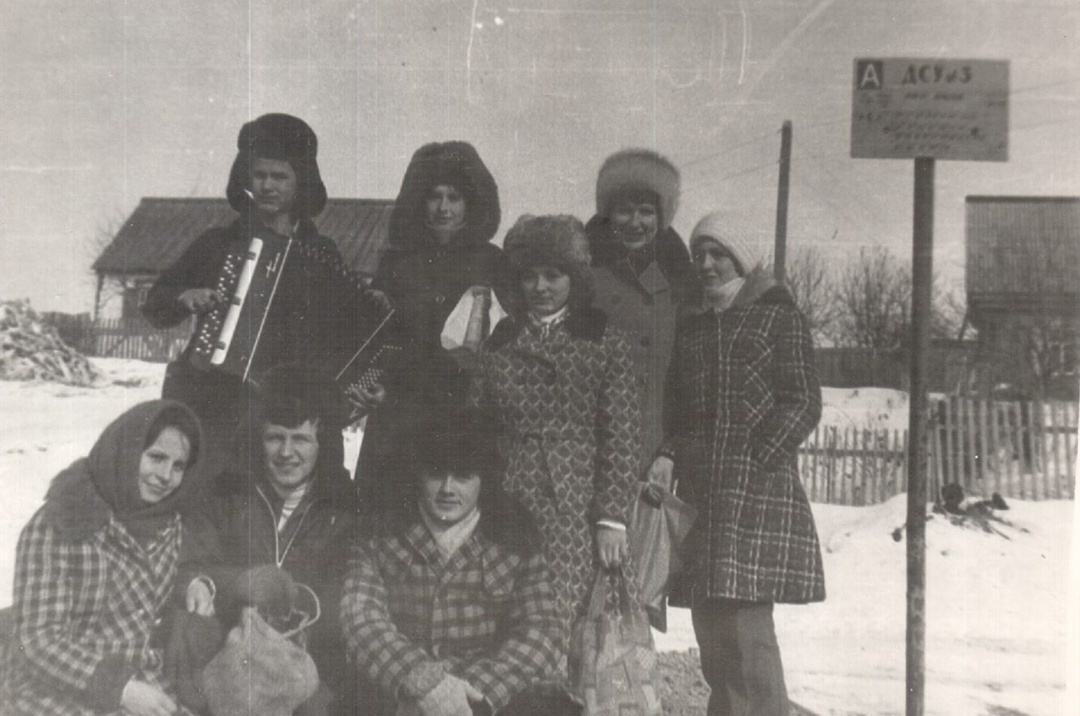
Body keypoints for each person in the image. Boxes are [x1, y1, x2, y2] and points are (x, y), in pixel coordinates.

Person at [469, 215, 641, 705]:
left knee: (567, 624)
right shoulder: (501, 338)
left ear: (575, 278)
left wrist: (612, 517)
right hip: (508, 497)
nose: (540, 287)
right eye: (529, 276)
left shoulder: (604, 337)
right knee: (507, 618)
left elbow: (621, 432)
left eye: (553, 275)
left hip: (575, 506)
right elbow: (479, 423)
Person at [661, 211, 825, 716]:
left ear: (740, 258)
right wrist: (674, 454)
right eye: (699, 255)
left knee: (748, 634)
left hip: (755, 496)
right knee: (712, 633)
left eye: (718, 254)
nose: (706, 265)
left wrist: (759, 458)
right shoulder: (692, 328)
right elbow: (680, 410)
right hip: (703, 498)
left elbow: (802, 400)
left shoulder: (778, 315)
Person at [143, 113, 369, 478]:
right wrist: (186, 296)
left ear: (301, 184)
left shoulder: (322, 254)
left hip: (288, 416)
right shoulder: (218, 243)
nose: (267, 185)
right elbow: (155, 304)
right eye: (259, 175)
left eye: (280, 176)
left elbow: (348, 331)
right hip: (215, 405)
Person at [340, 407, 562, 716]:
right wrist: (422, 684)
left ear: (484, 478)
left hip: (481, 700)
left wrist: (468, 694)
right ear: (418, 474)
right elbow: (360, 619)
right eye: (435, 474)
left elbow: (542, 629)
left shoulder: (515, 537)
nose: (447, 489)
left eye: (462, 476)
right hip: (399, 696)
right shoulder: (379, 534)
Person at [1, 400, 204, 716]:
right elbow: (39, 640)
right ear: (125, 451)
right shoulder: (63, 521)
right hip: (55, 686)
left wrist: (189, 584)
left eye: (178, 466)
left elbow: (144, 586)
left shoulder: (166, 521)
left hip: (138, 677)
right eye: (156, 457)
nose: (166, 475)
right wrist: (119, 689)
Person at [178, 364, 358, 715]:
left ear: (322, 444)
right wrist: (221, 583)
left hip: (308, 668)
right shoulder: (225, 497)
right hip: (226, 661)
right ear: (258, 440)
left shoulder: (344, 513)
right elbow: (189, 564)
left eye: (301, 439)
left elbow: (344, 614)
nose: (286, 452)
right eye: (276, 437)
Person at [353, 140, 518, 517]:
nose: (443, 208)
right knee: (389, 517)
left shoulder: (493, 262)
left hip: (463, 415)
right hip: (397, 413)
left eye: (455, 197)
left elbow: (503, 346)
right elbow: (375, 340)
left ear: (472, 203)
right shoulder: (396, 263)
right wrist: (376, 384)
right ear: (418, 201)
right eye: (434, 196)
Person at [584, 148, 694, 488]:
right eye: (624, 211)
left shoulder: (680, 279)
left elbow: (687, 376)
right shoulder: (585, 272)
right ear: (608, 215)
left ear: (660, 219)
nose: (635, 223)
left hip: (652, 448)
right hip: (591, 444)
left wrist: (671, 450)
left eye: (646, 212)